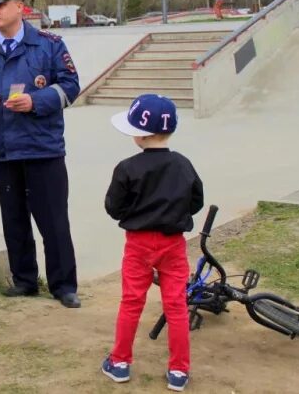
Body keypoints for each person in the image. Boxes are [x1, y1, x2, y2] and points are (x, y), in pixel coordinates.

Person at [0, 0, 81, 308]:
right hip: (3, 149)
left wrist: (36, 101)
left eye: (0, 5)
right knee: (13, 220)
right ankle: (25, 280)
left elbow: (71, 87)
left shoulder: (50, 46)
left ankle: (63, 285)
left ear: (20, 6)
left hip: (42, 147)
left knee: (54, 221)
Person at [101, 94, 204, 392]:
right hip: (173, 243)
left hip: (138, 244)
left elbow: (113, 207)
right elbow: (196, 200)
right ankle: (178, 371)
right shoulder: (183, 165)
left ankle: (119, 362)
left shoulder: (127, 168)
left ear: (140, 134)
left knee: (132, 301)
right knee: (176, 306)